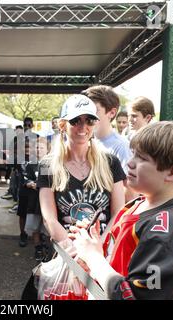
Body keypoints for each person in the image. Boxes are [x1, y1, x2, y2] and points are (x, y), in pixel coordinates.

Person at [71, 121, 173, 300]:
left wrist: (93, 258)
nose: (130, 163)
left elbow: (134, 296)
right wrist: (94, 247)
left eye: (142, 158)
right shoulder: (139, 203)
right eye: (133, 154)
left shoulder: (166, 231)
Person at [37, 94, 125, 251]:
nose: (83, 127)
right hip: (67, 253)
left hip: (104, 252)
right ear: (62, 125)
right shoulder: (47, 164)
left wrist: (99, 249)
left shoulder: (111, 162)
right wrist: (75, 253)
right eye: (76, 120)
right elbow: (49, 219)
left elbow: (118, 213)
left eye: (89, 120)